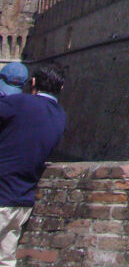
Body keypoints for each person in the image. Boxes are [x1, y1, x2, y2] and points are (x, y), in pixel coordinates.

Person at [0, 67, 66, 267]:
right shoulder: (60, 115)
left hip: (2, 192)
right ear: (60, 87)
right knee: (6, 259)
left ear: (34, 82)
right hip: (22, 200)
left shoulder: (19, 103)